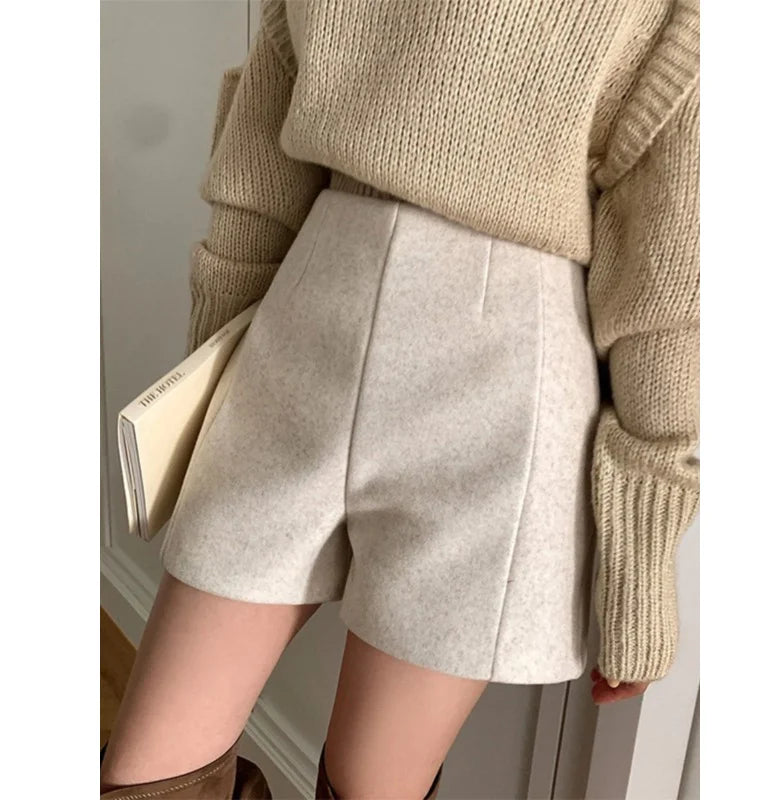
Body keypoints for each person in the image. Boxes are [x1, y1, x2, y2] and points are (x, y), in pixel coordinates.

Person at [100, 1, 700, 797]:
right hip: (295, 352)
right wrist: (200, 405)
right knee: (149, 777)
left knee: (372, 785)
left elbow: (667, 283)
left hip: (504, 404)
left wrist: (640, 578)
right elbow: (257, 177)